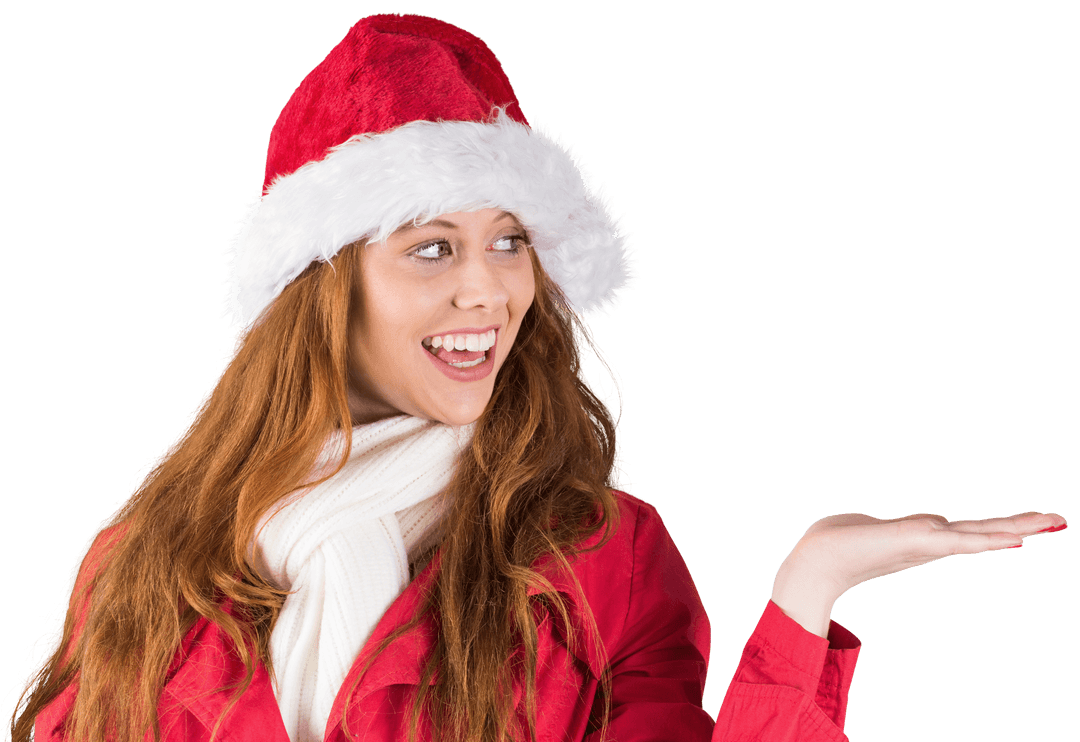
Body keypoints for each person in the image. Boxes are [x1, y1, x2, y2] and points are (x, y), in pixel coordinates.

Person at [7, 13, 1067, 742]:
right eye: (433, 248)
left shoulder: (601, 556)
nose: (489, 292)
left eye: (508, 242)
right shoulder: (155, 558)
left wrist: (805, 597)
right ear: (328, 289)